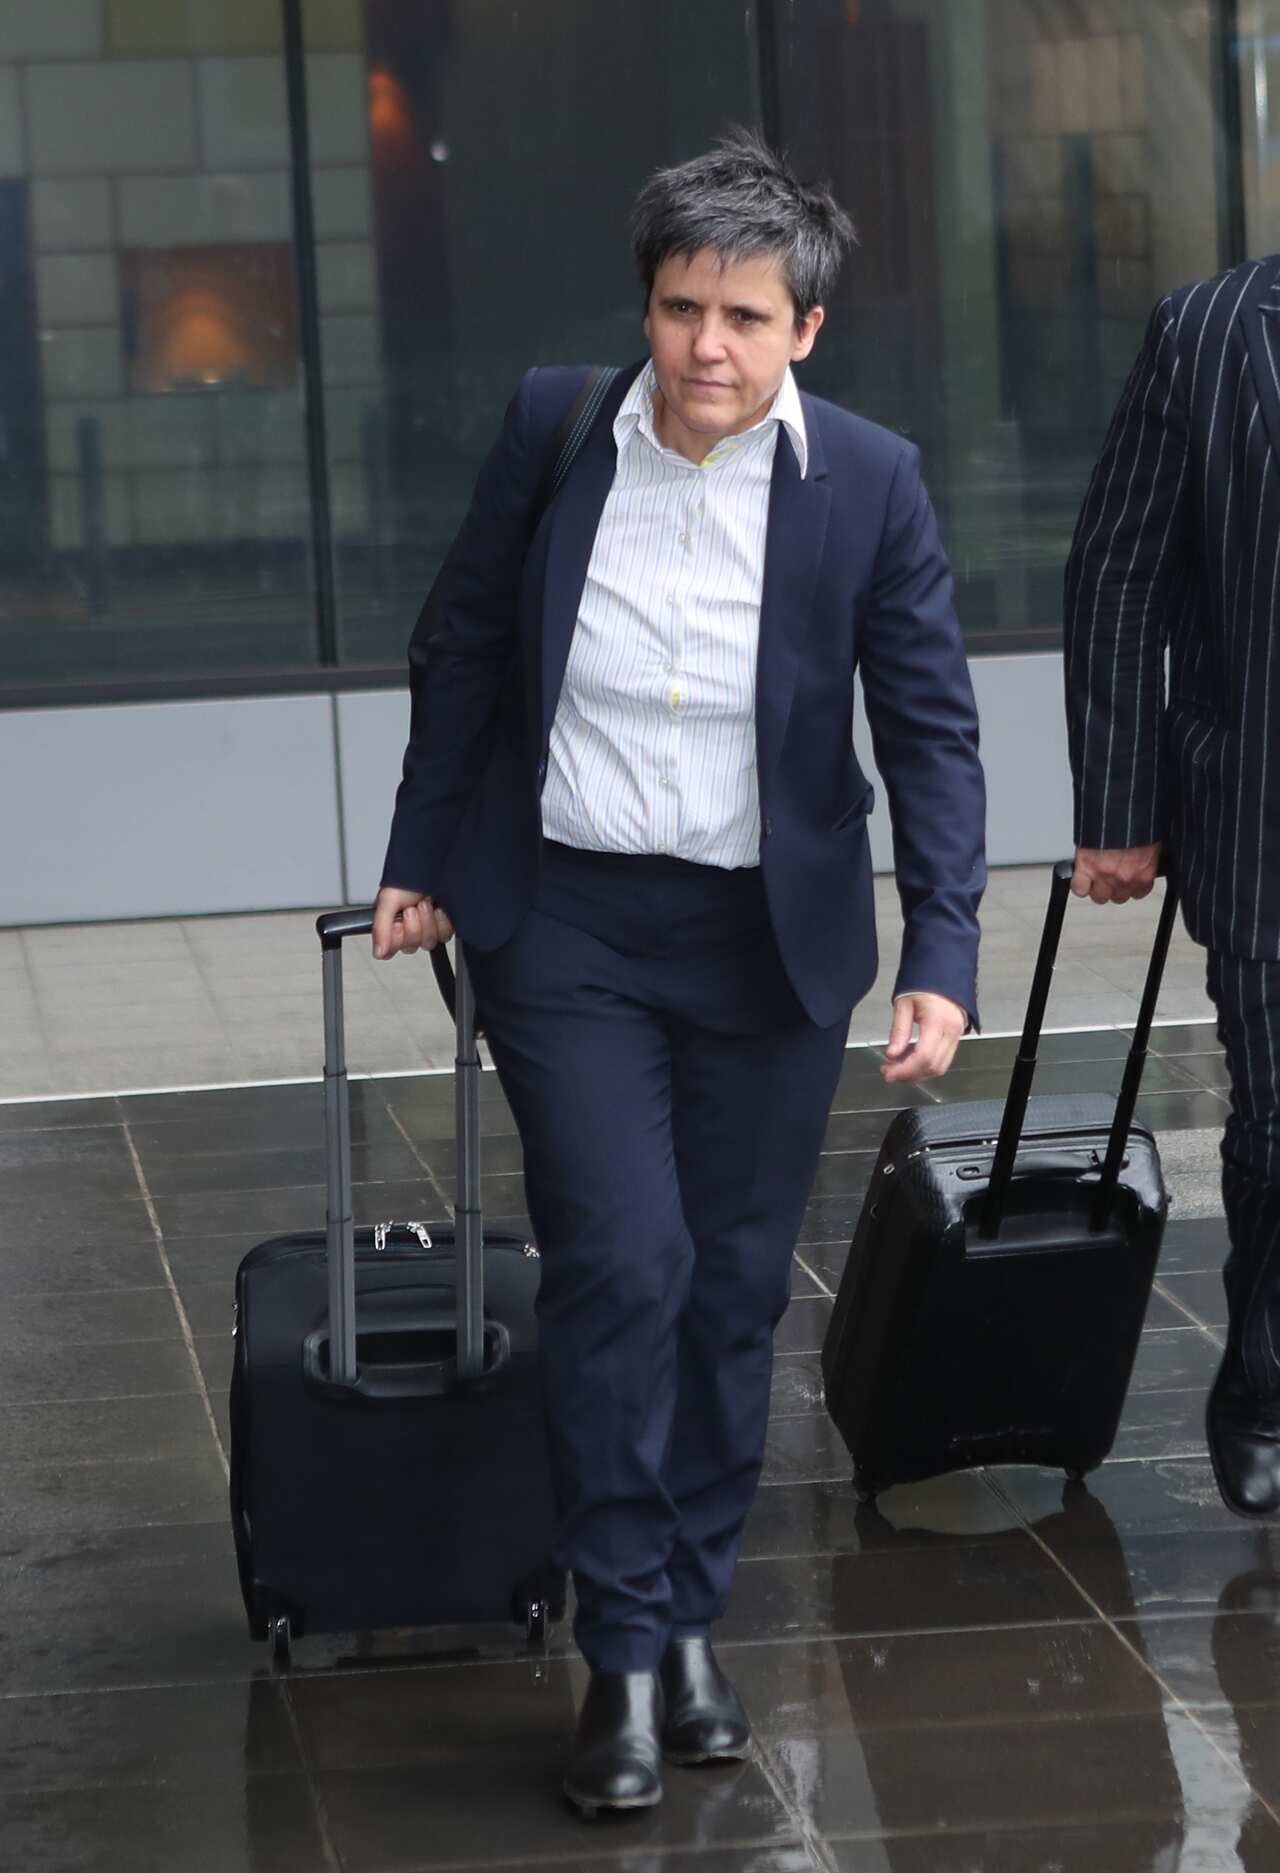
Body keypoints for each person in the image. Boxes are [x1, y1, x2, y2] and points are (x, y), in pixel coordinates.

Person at [372, 129, 986, 1815]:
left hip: (765, 945)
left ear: (806, 329)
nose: (703, 345)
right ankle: (623, 1652)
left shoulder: (868, 479)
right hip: (566, 925)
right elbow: (465, 640)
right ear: (643, 306)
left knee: (728, 1288)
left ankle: (691, 1611)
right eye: (676, 306)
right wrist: (426, 851)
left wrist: (945, 946)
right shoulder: (553, 430)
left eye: (739, 314)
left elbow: (930, 729)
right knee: (623, 1263)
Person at [1064, 254, 1280, 1523]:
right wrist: (1120, 809)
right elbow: (1117, 570)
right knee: (1276, 1120)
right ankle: (1261, 1383)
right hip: (1261, 807)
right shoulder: (1205, 332)